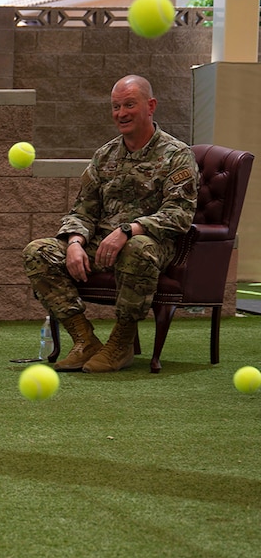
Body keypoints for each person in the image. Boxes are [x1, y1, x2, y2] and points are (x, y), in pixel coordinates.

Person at [23, 75, 198, 373]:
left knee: (137, 248)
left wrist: (128, 230)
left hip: (153, 245)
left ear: (150, 106)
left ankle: (121, 343)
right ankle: (84, 340)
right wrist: (75, 242)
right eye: (116, 106)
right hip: (100, 244)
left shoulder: (176, 155)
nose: (121, 113)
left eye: (130, 104)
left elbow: (180, 213)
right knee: (38, 251)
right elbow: (83, 209)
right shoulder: (104, 156)